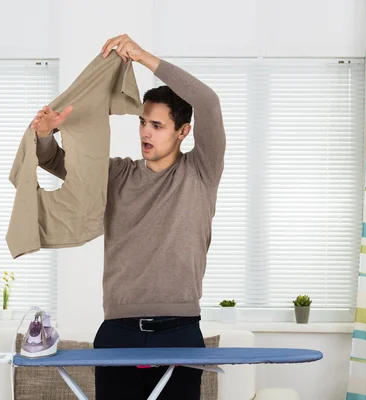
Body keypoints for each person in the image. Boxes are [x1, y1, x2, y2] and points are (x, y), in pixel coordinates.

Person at [29, 34, 226, 400]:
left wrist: (143, 57)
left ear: (184, 131)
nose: (146, 132)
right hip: (118, 330)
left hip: (180, 331)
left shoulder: (201, 172)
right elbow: (59, 162)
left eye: (157, 125)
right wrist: (44, 136)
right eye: (142, 122)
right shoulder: (117, 175)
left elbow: (208, 103)